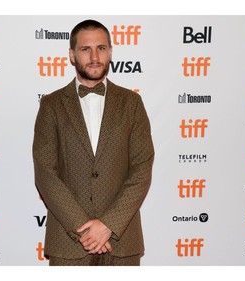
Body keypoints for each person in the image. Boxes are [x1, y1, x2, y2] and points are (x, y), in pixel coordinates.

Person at [32, 19, 154, 266]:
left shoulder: (132, 104)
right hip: (69, 244)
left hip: (122, 240)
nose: (95, 56)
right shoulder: (51, 106)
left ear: (110, 52)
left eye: (101, 48)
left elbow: (142, 168)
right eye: (86, 49)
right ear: (72, 55)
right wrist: (85, 231)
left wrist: (109, 224)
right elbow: (45, 173)